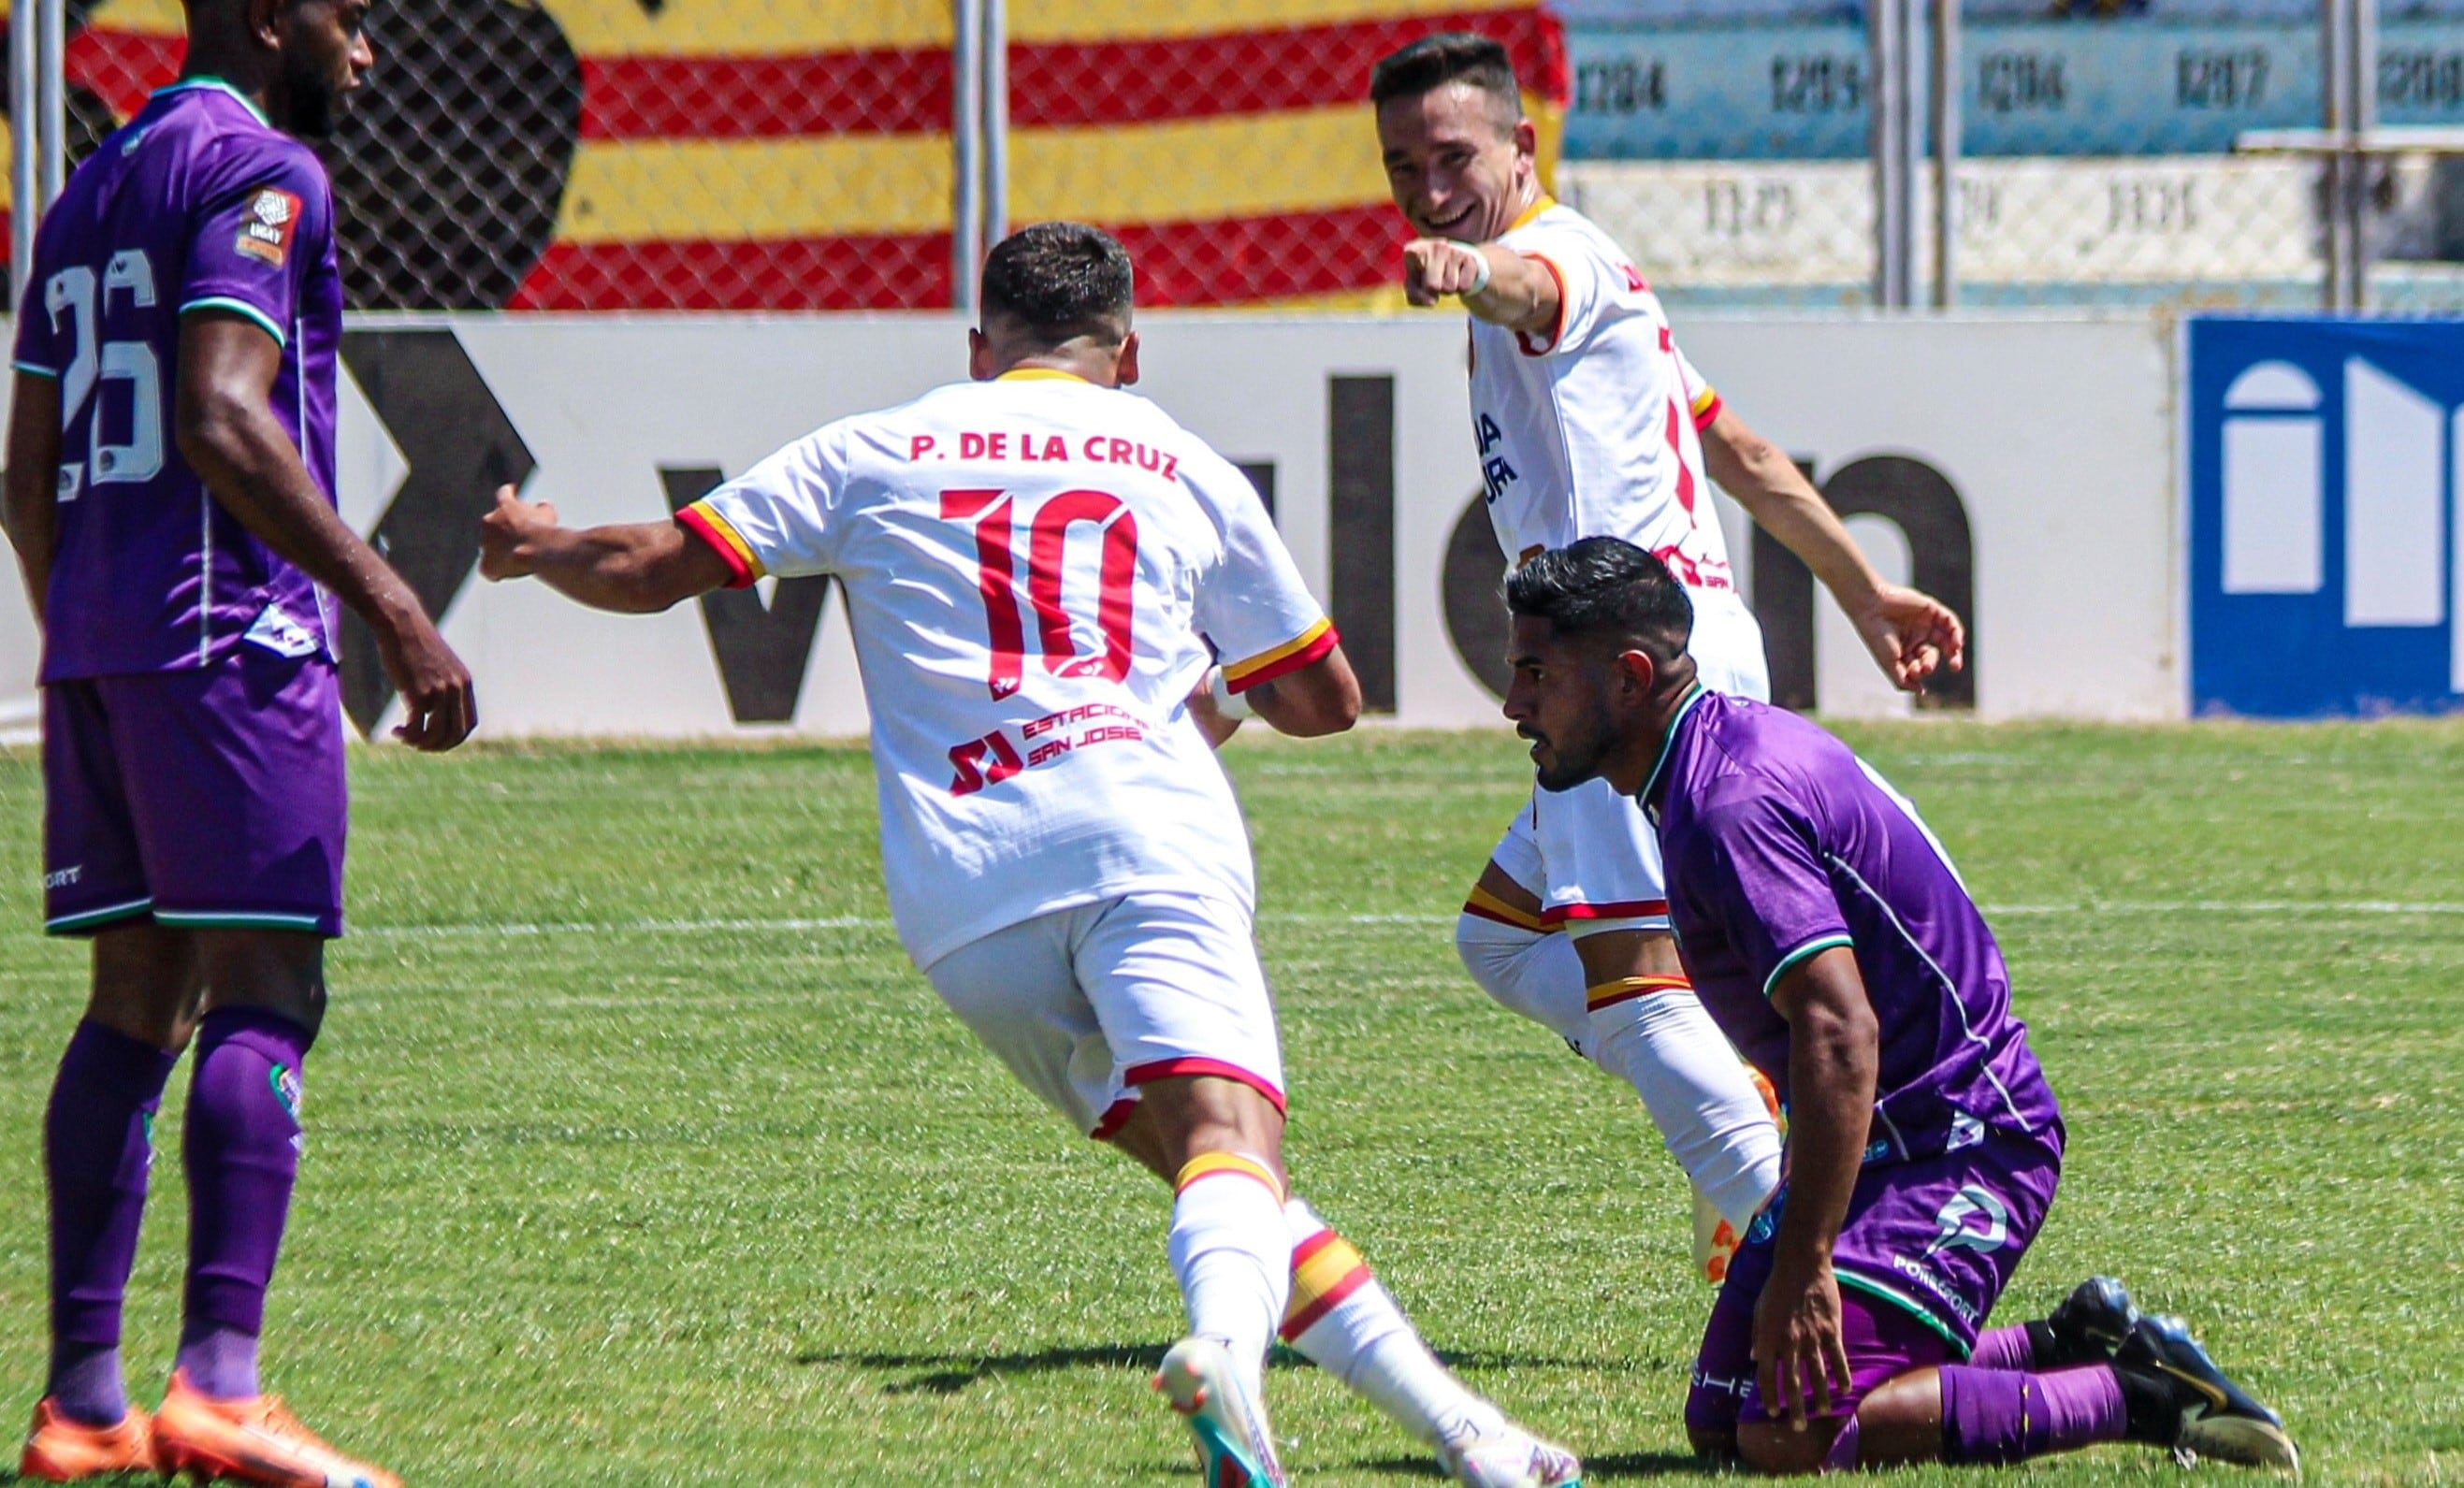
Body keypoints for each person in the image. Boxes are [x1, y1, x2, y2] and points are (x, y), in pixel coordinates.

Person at [476, 222, 1581, 1488]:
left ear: (976, 347)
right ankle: (1229, 1351)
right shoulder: (1171, 455)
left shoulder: (879, 443)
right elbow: (1324, 695)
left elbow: (652, 565)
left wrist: (536, 547)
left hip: (966, 903)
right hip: (1139, 832)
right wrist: (1204, 698)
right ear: (1128, 351)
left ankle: (1468, 1436)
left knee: (1219, 1180)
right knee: (1231, 1142)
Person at [1495, 535, 2299, 1475]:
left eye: (1535, 674)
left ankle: (2144, 1393)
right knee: (1721, 1418)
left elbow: (1840, 1032)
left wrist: (1805, 1265)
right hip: (1879, 1136)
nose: (1514, 705)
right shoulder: (1703, 762)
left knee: (1785, 1434)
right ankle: (2067, 1342)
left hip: (1961, 1139)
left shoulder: (1728, 805)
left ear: (1629, 677)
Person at [1368, 33, 1974, 1281]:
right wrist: (1862, 594)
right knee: (1500, 939)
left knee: (1635, 977)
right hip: (1661, 647)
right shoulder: (1617, 277)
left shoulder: (1555, 267)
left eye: (1453, 158)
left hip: (1625, 670)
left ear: (1521, 146)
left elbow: (1520, 285)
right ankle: (1741, 1087)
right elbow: (1735, 448)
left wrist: (1467, 268)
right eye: (1401, 168)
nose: (1427, 192)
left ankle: (1814, 1253)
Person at [3, 1, 477, 1483]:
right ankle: (219, 1380)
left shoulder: (86, 186)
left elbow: (23, 474)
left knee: (131, 1002)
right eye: (351, 18)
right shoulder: (260, 166)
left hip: (97, 637)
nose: (369, 51)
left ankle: (83, 1401)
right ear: (273, 19)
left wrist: (85, 623)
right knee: (266, 981)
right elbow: (221, 412)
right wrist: (395, 603)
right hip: (231, 636)